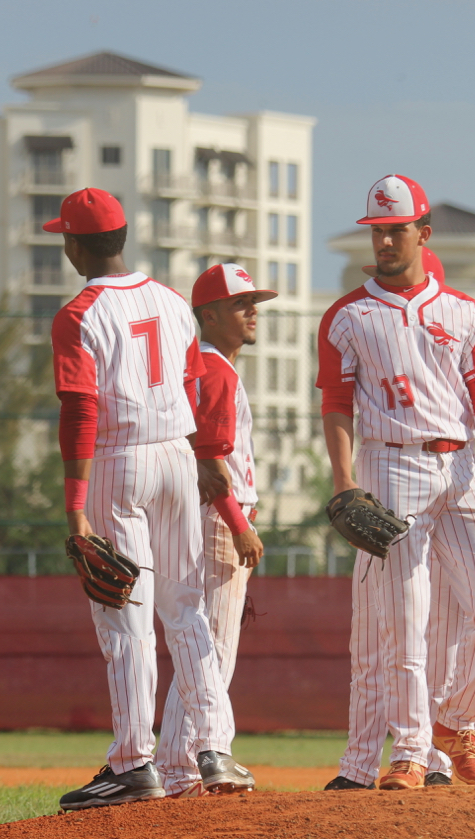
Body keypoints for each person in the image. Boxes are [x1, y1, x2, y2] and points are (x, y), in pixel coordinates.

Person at [317, 175, 475, 790]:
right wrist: (344, 479)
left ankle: (453, 720)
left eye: (396, 229)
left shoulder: (462, 311)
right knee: (405, 616)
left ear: (423, 233)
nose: (384, 240)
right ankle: (408, 752)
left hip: (460, 466)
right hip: (390, 462)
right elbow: (336, 403)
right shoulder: (348, 316)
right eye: (377, 230)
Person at [48, 188, 254, 810]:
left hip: (119, 460)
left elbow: (81, 408)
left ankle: (133, 763)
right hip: (176, 457)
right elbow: (192, 385)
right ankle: (214, 750)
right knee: (186, 608)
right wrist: (193, 459)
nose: (64, 245)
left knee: (127, 620)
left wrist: (75, 505)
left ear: (78, 244)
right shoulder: (171, 300)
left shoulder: (79, 313)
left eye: (66, 237)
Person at [154, 262, 274, 798]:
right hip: (220, 517)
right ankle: (183, 769)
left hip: (196, 517)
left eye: (254, 303)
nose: (252, 312)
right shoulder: (217, 370)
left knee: (200, 642)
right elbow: (211, 464)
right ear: (208, 314)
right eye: (239, 304)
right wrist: (241, 526)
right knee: (212, 648)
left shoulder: (201, 367)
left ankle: (176, 765)